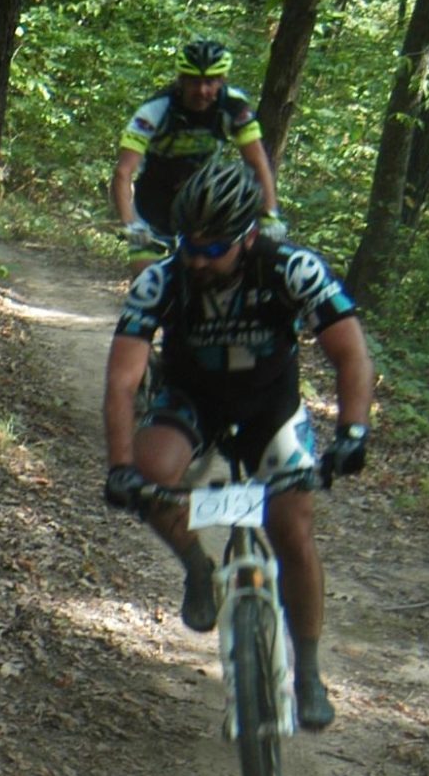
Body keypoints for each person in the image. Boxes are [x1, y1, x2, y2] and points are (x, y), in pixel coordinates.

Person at [102, 151, 373, 730]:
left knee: (293, 528)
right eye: (188, 246)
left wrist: (353, 431)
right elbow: (123, 381)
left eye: (211, 248)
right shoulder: (163, 278)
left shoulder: (290, 267)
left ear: (247, 236)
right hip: (191, 403)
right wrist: (121, 465)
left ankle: (308, 670)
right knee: (153, 476)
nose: (196, 260)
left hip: (267, 407)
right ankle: (199, 569)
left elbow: (351, 352)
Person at [113, 38, 279, 248]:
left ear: (222, 80)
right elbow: (123, 172)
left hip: (202, 204)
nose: (202, 90)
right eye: (194, 82)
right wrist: (130, 223)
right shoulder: (155, 109)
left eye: (210, 82)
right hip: (153, 202)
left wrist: (270, 214)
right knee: (147, 275)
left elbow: (257, 163)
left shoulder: (234, 106)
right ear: (181, 80)